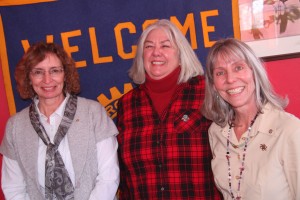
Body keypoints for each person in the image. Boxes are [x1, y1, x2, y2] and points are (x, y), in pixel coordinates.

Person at [116, 19, 221, 199]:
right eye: (149, 47)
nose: (156, 52)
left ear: (181, 53)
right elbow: (124, 176)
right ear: (142, 55)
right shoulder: (127, 104)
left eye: (165, 46)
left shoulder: (207, 92)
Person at [0, 42, 120, 199]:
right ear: (28, 78)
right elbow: (13, 187)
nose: (47, 80)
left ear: (66, 74)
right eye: (38, 72)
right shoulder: (15, 127)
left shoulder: (93, 113)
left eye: (55, 71)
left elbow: (109, 177)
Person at [202, 38, 300, 200]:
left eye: (238, 68)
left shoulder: (290, 130)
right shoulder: (216, 132)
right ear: (214, 85)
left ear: (255, 72)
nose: (230, 79)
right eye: (220, 73)